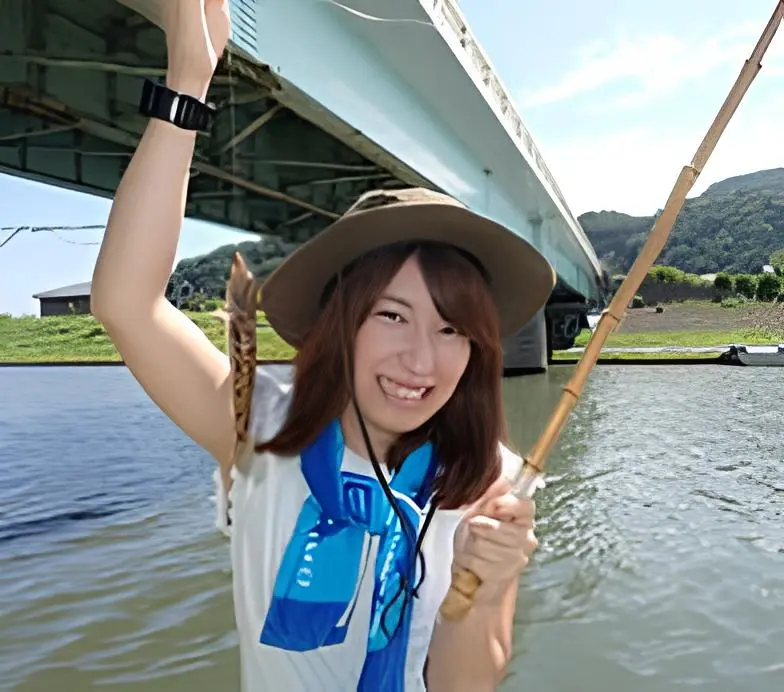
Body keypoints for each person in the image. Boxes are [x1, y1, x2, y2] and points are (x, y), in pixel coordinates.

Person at [90, 1, 556, 690]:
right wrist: (188, 80)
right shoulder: (257, 428)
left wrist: (483, 588)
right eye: (392, 317)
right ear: (341, 324)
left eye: (451, 329)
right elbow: (126, 304)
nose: (422, 361)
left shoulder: (492, 476)